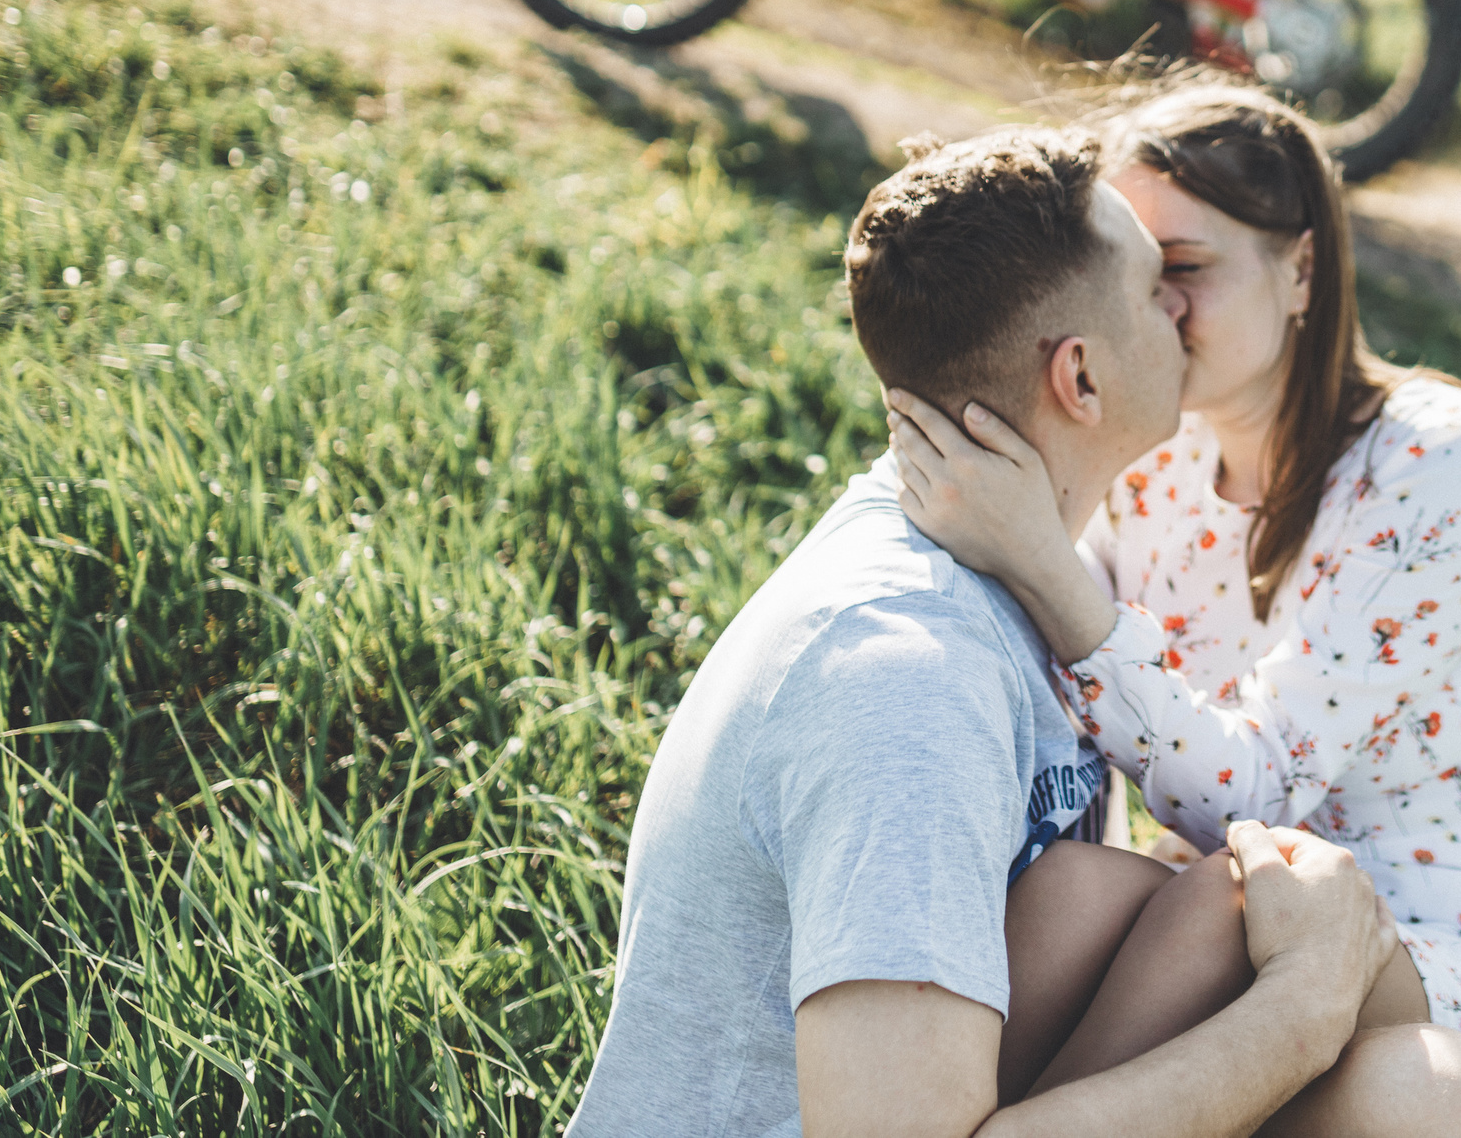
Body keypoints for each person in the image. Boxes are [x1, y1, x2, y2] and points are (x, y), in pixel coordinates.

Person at [564, 126, 1404, 1138]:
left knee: (1198, 918)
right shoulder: (905, 673)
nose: (1181, 308)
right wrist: (1297, 1016)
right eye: (1153, 287)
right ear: (1080, 380)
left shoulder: (1006, 582)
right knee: (1414, 1071)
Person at [886, 85, 1461, 1137]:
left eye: (1183, 270)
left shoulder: (1438, 460)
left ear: (1302, 270)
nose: (1147, 306)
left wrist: (1038, 560)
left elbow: (1259, 796)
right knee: (1073, 893)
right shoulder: (1159, 454)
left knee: (1223, 898)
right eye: (1129, 270)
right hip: (1239, 930)